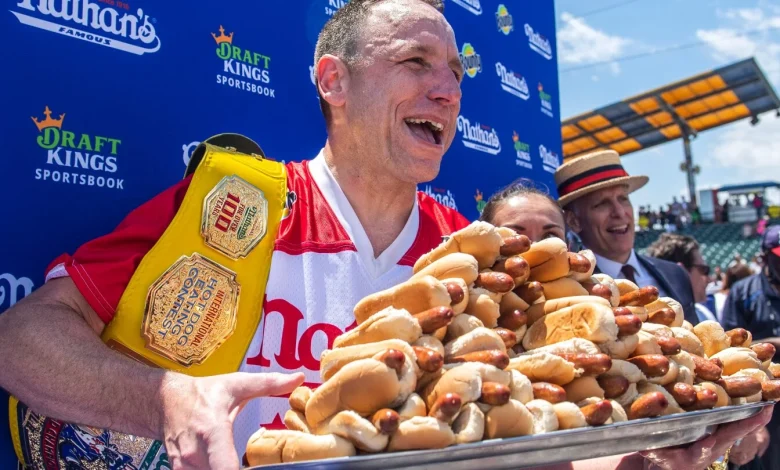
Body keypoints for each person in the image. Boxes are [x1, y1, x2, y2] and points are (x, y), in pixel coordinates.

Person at [0, 1, 469, 469]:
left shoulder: (466, 248)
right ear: (334, 81)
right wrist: (167, 400)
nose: (449, 92)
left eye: (456, 74)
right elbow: (20, 338)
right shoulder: (233, 203)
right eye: (416, 62)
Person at [477, 179, 772, 470]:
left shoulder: (607, 309)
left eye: (550, 234)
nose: (538, 247)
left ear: (566, 244)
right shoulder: (477, 323)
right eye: (517, 235)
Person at [553, 150, 699, 326]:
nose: (620, 213)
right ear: (573, 221)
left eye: (623, 199)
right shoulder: (569, 291)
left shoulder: (676, 274)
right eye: (602, 203)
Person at [723, 224, 780, 470]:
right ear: (765, 257)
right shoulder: (743, 292)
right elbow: (727, 351)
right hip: (765, 402)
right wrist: (772, 344)